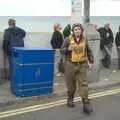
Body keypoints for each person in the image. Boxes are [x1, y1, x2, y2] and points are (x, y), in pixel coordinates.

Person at [61, 23, 94, 114]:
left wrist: (91, 61)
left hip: (82, 64)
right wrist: (68, 49)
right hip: (70, 64)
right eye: (75, 29)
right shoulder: (68, 39)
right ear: (73, 31)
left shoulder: (84, 39)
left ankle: (86, 103)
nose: (77, 31)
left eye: (79, 29)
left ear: (81, 31)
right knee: (71, 85)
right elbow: (61, 50)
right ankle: (70, 99)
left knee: (83, 84)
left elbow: (89, 50)